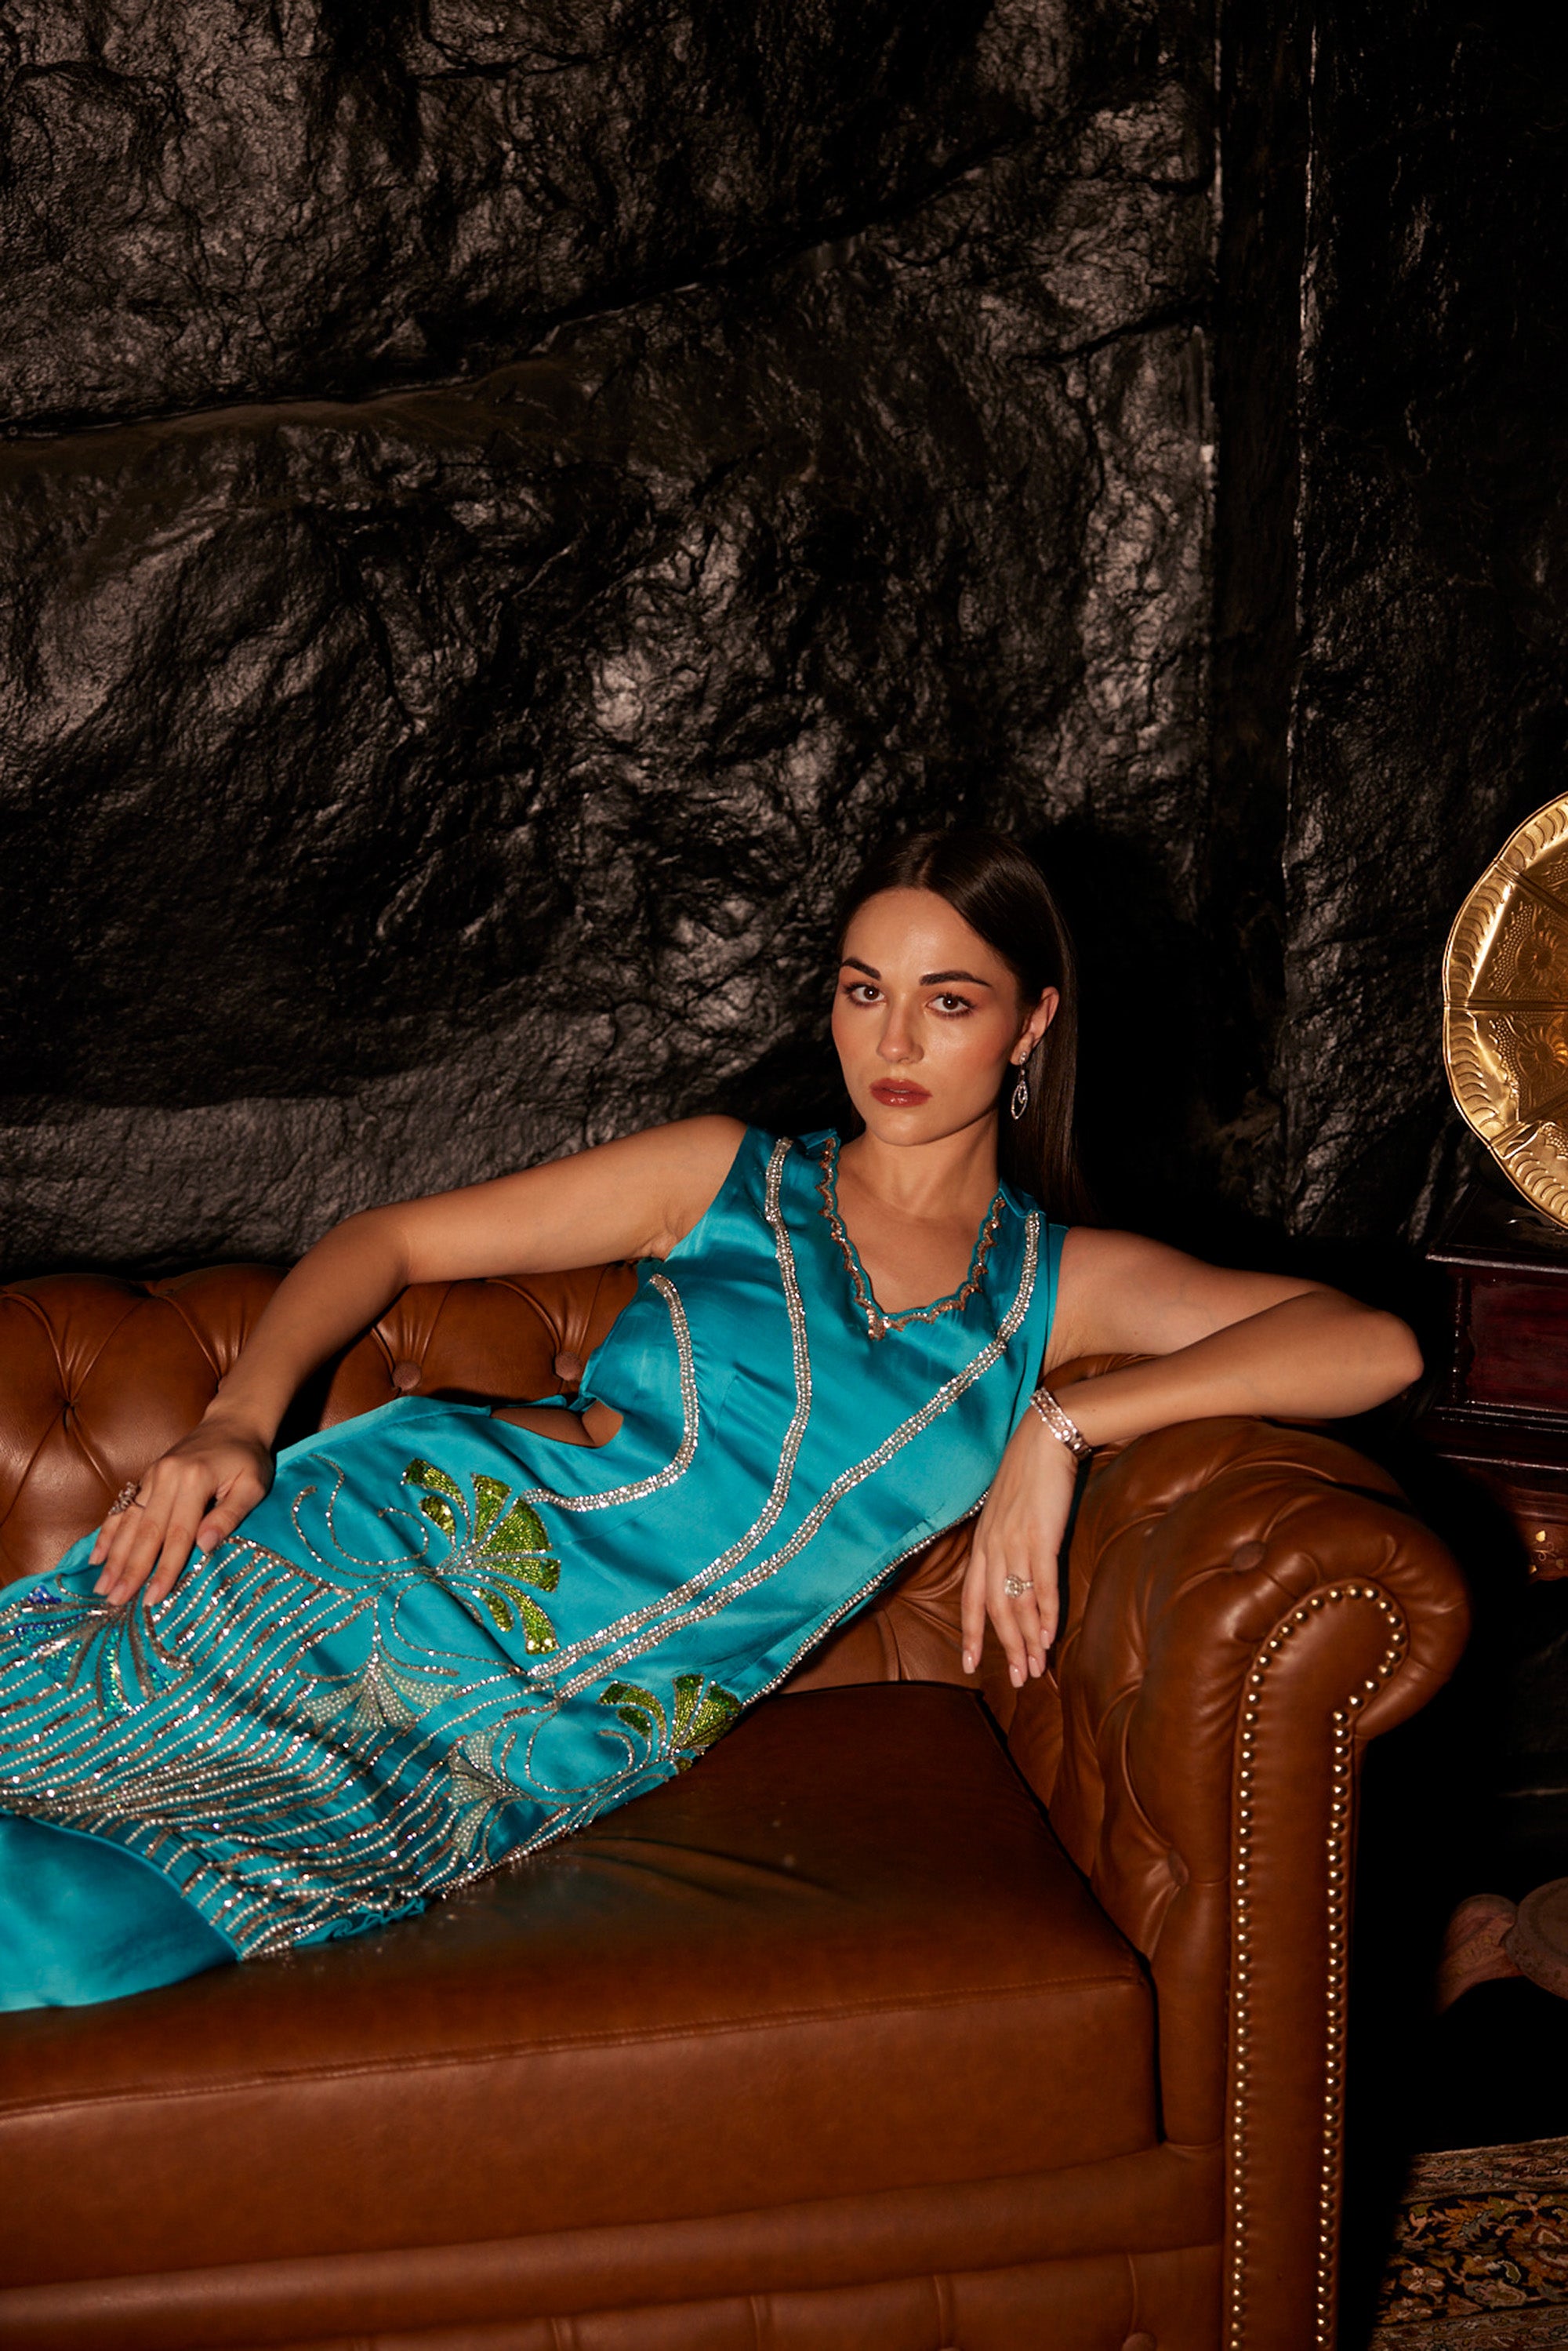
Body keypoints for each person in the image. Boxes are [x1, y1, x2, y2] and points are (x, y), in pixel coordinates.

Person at [0, 828, 1421, 2010]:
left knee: (88, 1939)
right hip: (369, 1551)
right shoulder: (727, 1175)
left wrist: (1060, 1423)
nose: (892, 1041)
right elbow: (389, 1240)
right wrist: (238, 1421)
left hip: (534, 1729)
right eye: (863, 992)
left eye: (948, 1000)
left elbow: (1370, 1344)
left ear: (1031, 1022)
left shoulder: (1057, 1286)